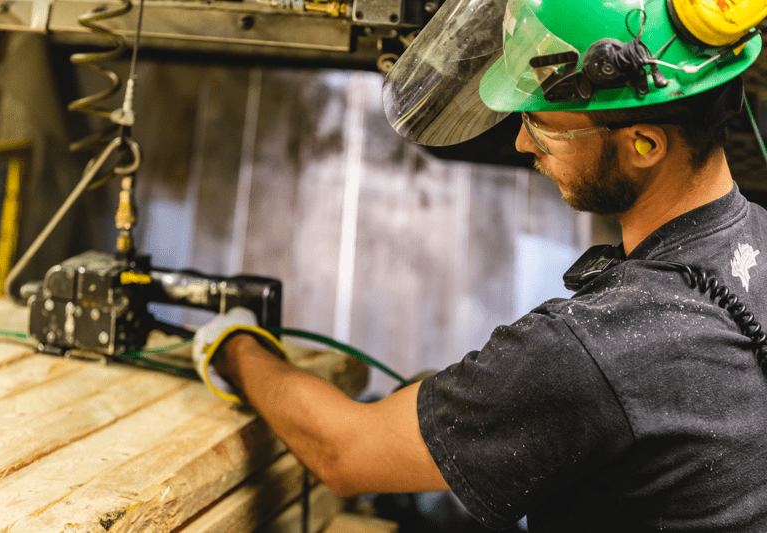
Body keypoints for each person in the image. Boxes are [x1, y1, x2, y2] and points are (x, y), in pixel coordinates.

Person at [192, 1, 767, 530]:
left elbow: (343, 452)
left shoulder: (593, 350)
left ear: (644, 144)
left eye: (541, 124)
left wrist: (234, 345)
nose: (523, 143)